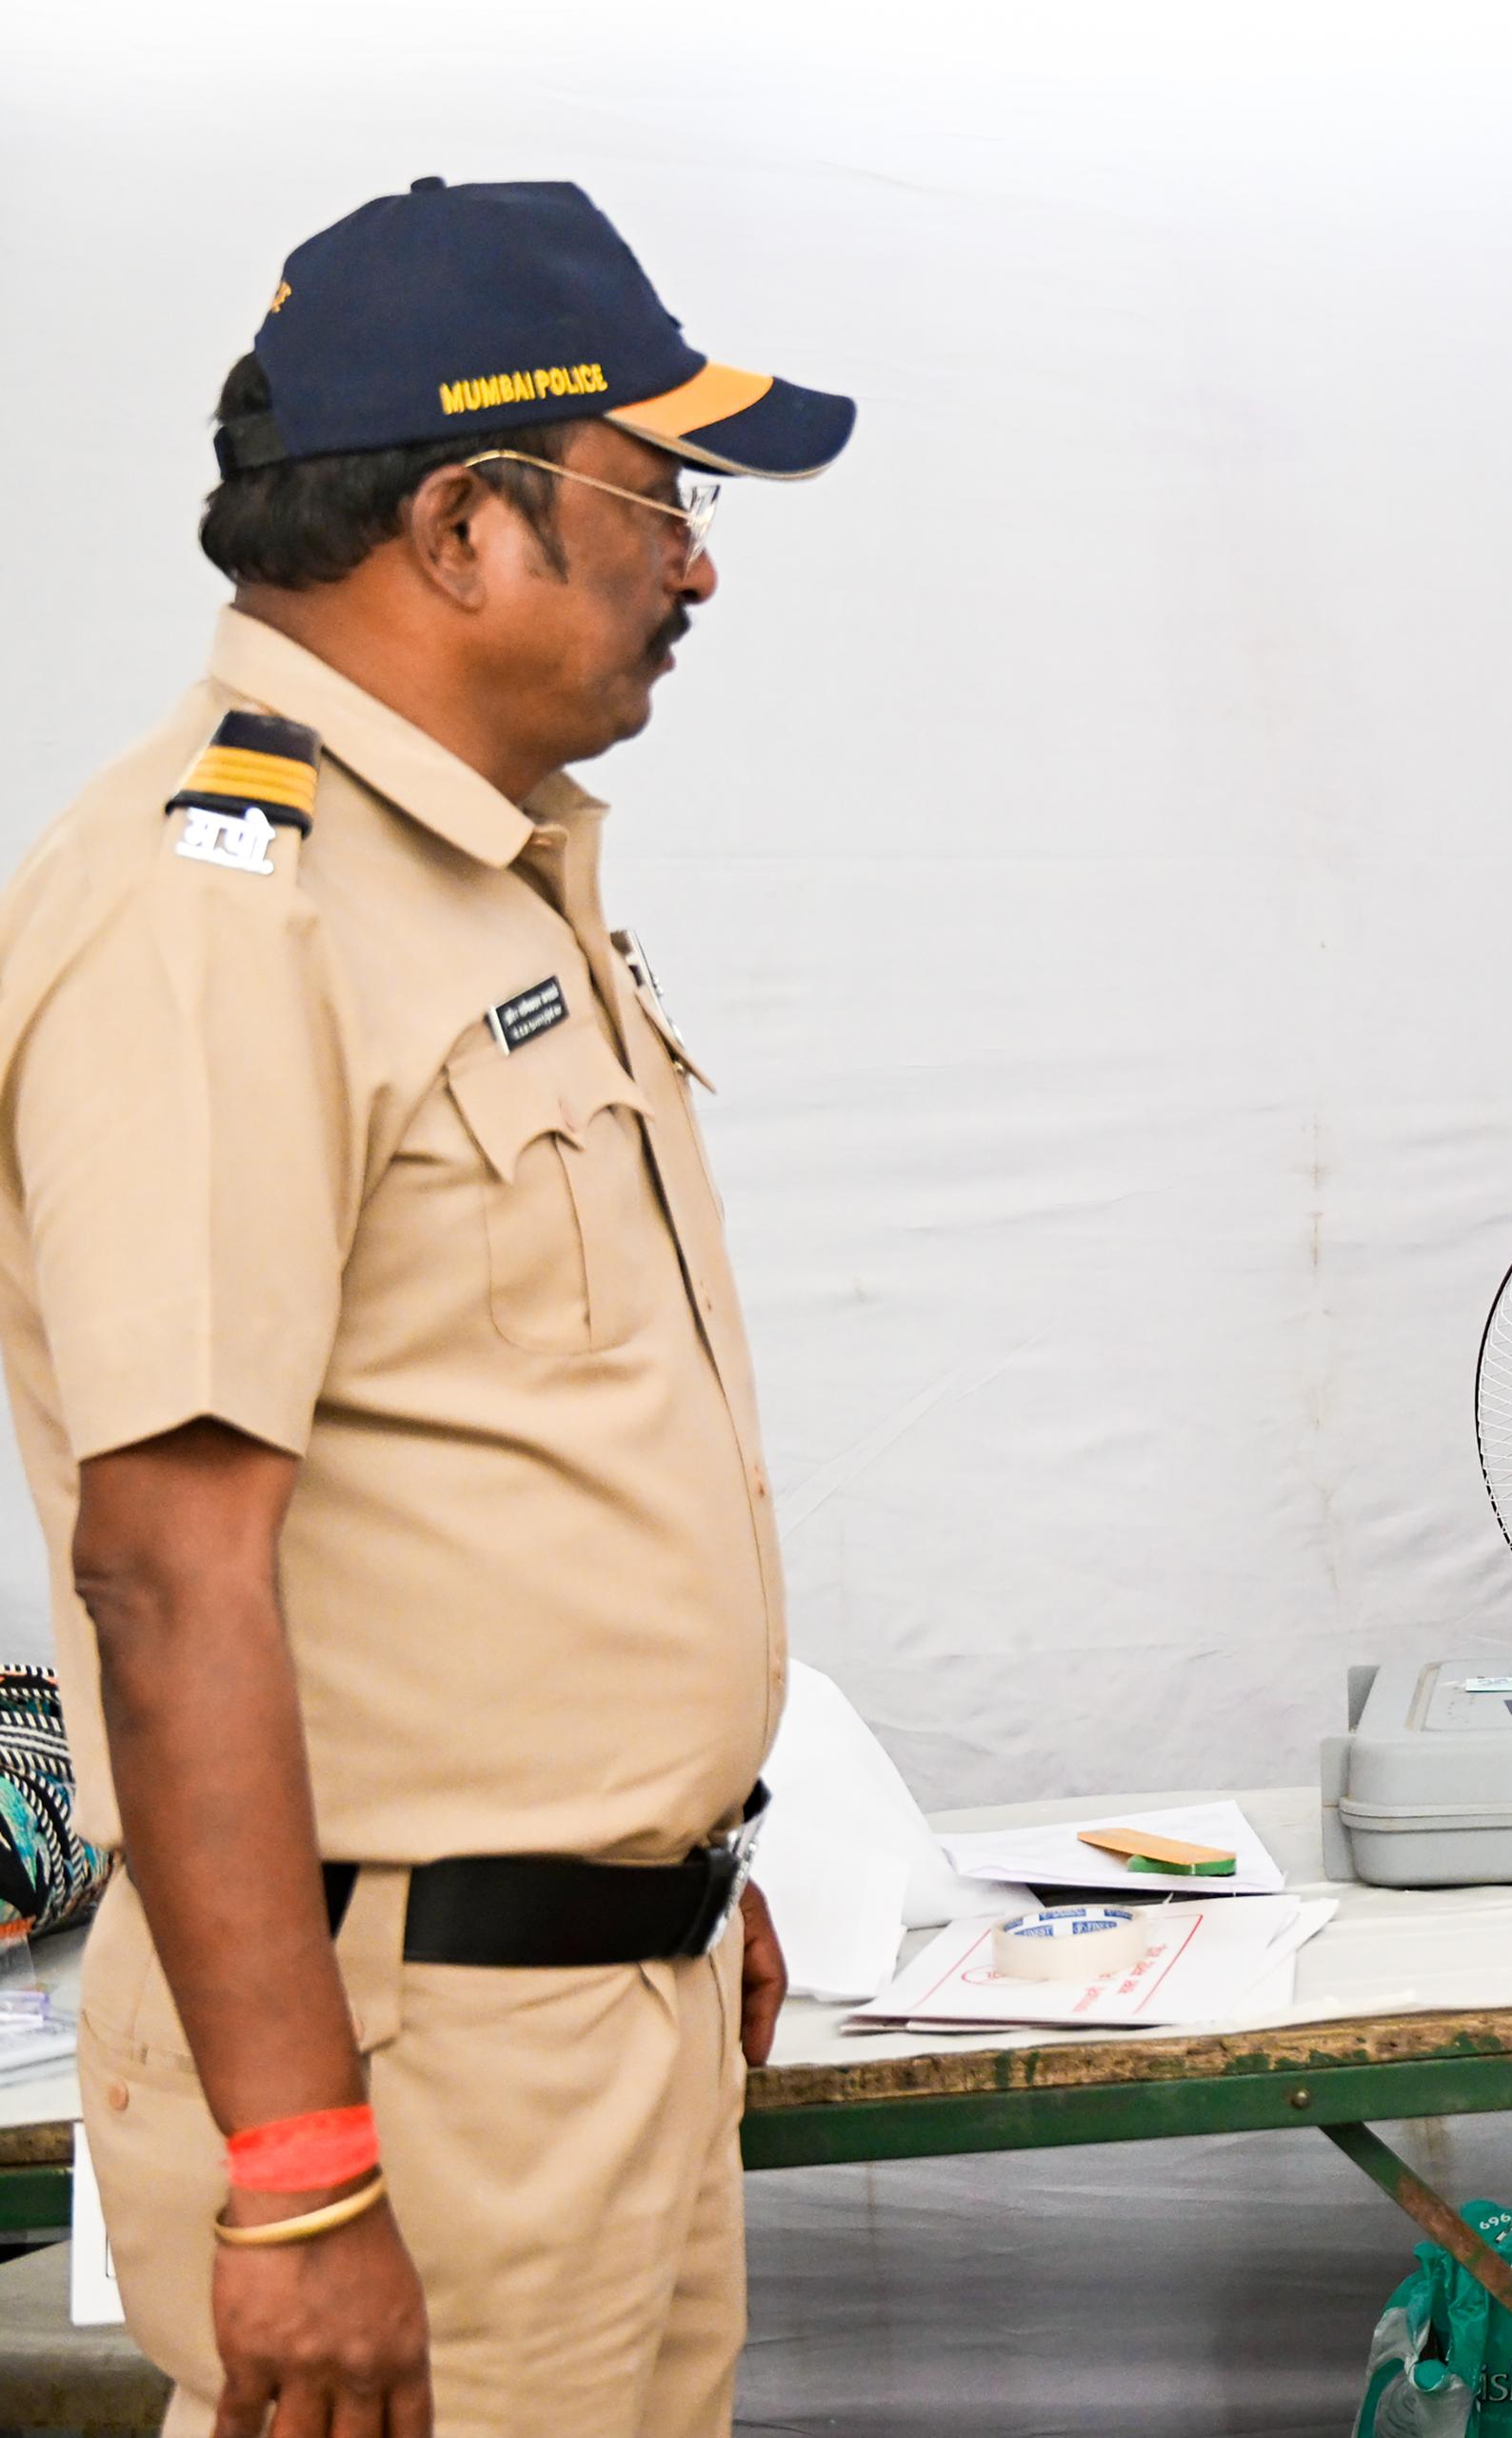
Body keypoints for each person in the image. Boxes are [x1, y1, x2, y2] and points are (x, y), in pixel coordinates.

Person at [0, 179, 854, 2434]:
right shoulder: (224, 911)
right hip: (412, 2059)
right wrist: (292, 2175)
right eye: (651, 499)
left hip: (582, 2012)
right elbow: (169, 1570)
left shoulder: (464, 875)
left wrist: (669, 1858)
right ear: (470, 523)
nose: (690, 561)